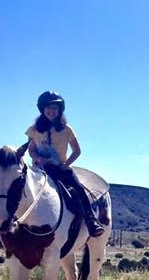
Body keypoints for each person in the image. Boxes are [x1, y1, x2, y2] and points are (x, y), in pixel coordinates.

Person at [26, 91, 105, 237]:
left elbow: (77, 150)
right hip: (39, 169)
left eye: (55, 108)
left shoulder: (67, 129)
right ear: (42, 109)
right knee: (19, 188)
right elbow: (31, 149)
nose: (51, 111)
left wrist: (66, 164)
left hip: (59, 168)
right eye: (48, 108)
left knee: (78, 188)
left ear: (60, 110)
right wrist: (37, 157)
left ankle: (91, 220)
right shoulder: (34, 129)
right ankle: (7, 228)